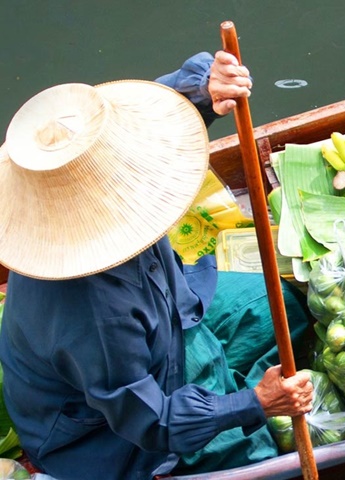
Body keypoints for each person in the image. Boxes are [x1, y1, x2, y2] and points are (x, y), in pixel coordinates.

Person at [0, 50, 314, 480]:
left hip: (166, 309)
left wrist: (203, 91)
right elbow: (149, 419)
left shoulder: (88, 188)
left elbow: (148, 123)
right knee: (258, 463)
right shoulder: (97, 313)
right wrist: (255, 404)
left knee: (282, 307)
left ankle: (222, 393)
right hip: (113, 436)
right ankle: (220, 415)